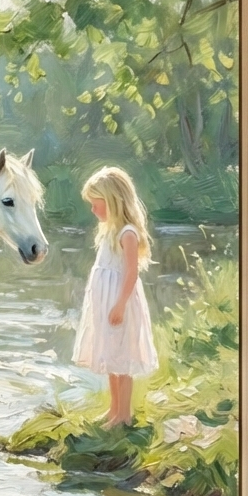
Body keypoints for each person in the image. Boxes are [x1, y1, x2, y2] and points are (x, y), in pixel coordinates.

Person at [71, 166, 158, 423]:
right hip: (104, 304)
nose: (93, 209)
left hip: (119, 303)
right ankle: (114, 408)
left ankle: (124, 415)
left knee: (122, 358)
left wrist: (120, 304)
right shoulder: (109, 232)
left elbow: (131, 273)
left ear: (112, 201)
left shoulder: (127, 234)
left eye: (96, 203)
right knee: (111, 357)